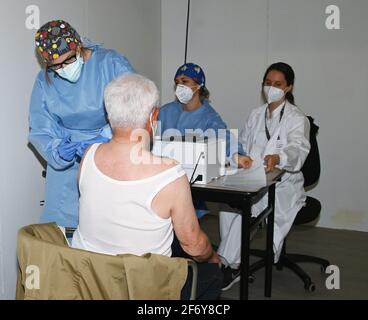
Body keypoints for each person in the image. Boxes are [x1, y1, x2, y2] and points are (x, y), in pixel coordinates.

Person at [71, 74, 223, 300]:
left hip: (89, 281)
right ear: (153, 117)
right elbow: (193, 246)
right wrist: (212, 257)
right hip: (142, 287)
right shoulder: (170, 175)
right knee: (211, 273)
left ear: (108, 112)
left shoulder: (88, 156)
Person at [29, 20, 135, 229]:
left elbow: (133, 107)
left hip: (109, 150)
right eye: (55, 65)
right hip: (65, 163)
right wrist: (57, 150)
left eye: (67, 61)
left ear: (77, 45)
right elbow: (41, 126)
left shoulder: (111, 64)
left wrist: (106, 137)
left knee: (110, 223)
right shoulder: (44, 81)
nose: (62, 69)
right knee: (61, 228)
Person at [218, 62, 311, 291]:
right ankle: (234, 263)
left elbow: (297, 149)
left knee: (244, 213)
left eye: (278, 84)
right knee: (227, 208)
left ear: (288, 87)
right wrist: (240, 156)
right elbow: (244, 144)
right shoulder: (256, 114)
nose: (272, 88)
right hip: (252, 177)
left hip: (281, 185)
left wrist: (278, 158)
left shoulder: (297, 118)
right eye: (268, 83)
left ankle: (224, 265)